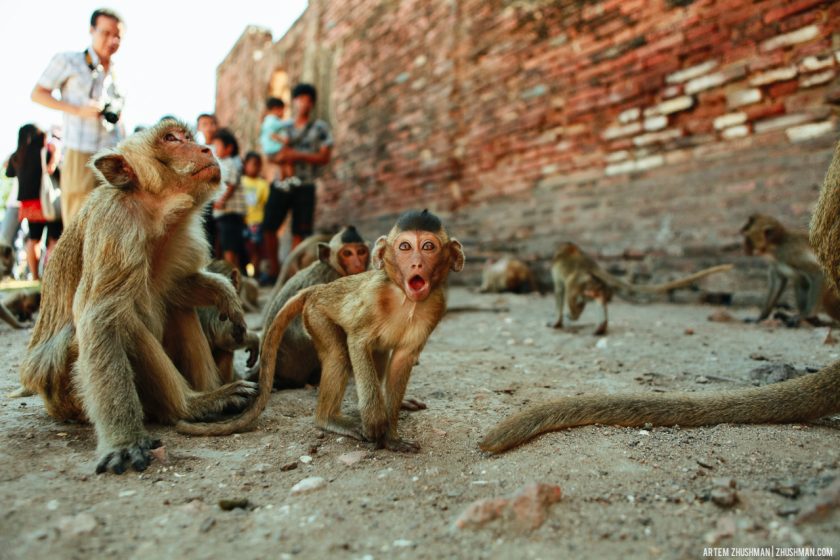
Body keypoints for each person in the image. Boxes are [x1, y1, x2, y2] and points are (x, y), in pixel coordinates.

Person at [31, 8, 125, 225]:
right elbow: (38, 94)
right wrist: (77, 110)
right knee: (77, 223)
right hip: (79, 151)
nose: (112, 40)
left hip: (111, 152)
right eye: (106, 32)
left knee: (110, 224)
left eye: (118, 36)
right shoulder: (69, 60)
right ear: (91, 30)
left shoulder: (118, 76)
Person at [262, 83, 333, 284]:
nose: (303, 103)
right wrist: (282, 157)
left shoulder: (320, 127)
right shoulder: (282, 126)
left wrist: (296, 155)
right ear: (294, 101)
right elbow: (270, 155)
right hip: (282, 182)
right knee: (268, 226)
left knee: (300, 231)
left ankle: (293, 274)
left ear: (312, 103)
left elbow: (324, 157)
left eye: (307, 99)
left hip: (305, 184)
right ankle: (274, 271)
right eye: (300, 98)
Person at [5, 124, 62, 280]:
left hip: (28, 205)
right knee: (54, 239)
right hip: (46, 202)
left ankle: (35, 276)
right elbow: (56, 172)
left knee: (33, 239)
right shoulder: (44, 152)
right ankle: (51, 277)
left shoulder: (17, 156)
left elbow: (8, 172)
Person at [211, 128, 247, 269]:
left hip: (229, 212)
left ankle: (232, 278)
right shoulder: (226, 163)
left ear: (229, 148)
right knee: (229, 246)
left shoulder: (230, 163)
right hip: (226, 214)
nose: (215, 149)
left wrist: (220, 201)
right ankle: (234, 275)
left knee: (230, 248)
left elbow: (231, 185)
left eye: (218, 146)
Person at [241, 151, 269, 278]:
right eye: (253, 164)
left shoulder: (262, 184)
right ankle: (244, 274)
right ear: (245, 165)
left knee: (255, 250)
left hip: (256, 222)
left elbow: (265, 203)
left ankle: (255, 275)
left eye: (259, 165)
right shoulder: (240, 182)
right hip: (241, 221)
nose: (256, 167)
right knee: (244, 249)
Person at [196, 113, 218, 255]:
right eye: (205, 124)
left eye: (211, 123)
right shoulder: (195, 148)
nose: (209, 128)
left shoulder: (220, 146)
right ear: (198, 128)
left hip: (219, 201)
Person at [259, 97, 293, 183]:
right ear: (276, 109)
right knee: (289, 160)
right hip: (275, 149)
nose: (283, 113)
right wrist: (283, 140)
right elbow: (272, 134)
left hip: (270, 150)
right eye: (282, 110)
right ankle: (290, 179)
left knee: (283, 164)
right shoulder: (272, 120)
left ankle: (283, 181)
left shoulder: (267, 120)